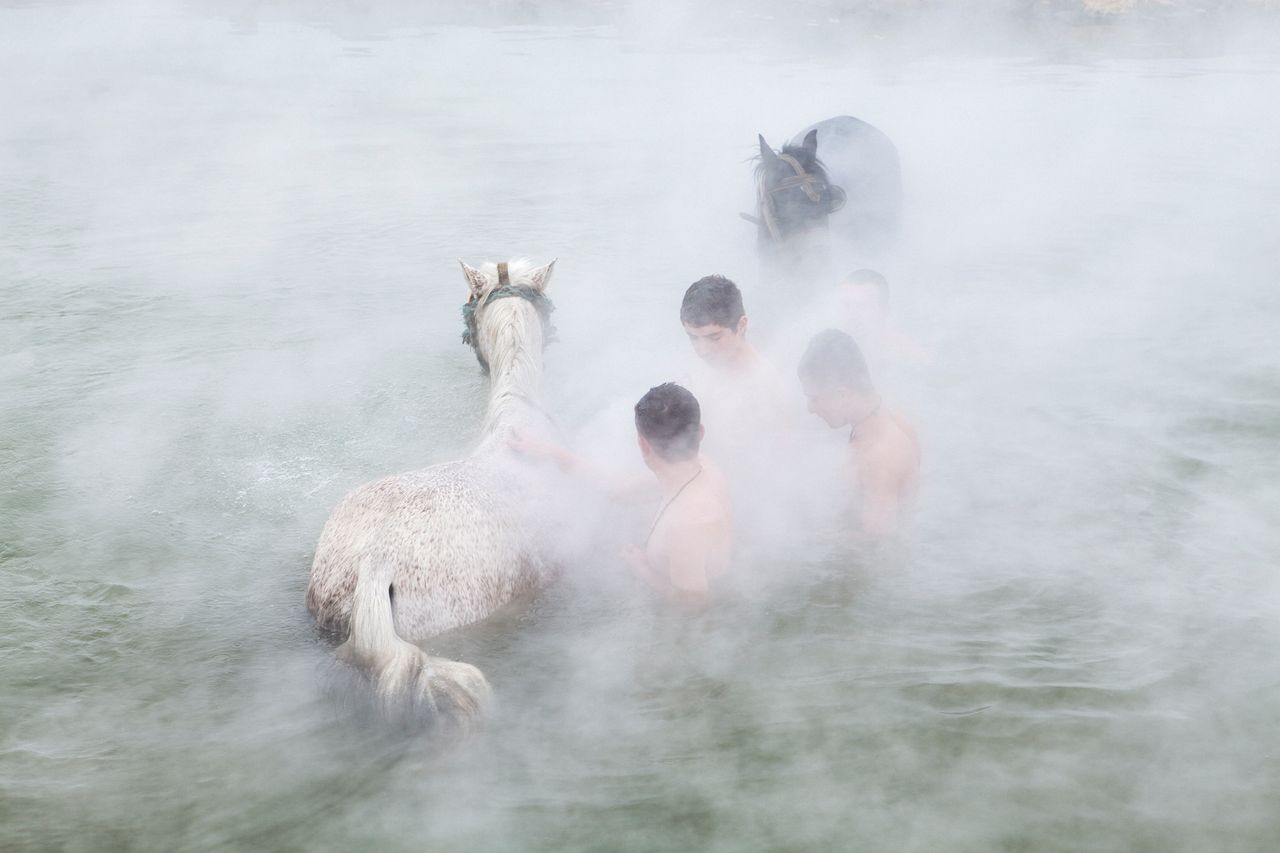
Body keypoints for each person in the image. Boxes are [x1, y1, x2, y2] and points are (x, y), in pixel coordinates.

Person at [509, 383, 732, 610]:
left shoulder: (688, 525)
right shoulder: (700, 466)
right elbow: (620, 489)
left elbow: (695, 605)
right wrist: (550, 451)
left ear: (643, 445)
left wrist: (643, 570)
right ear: (700, 432)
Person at [798, 329, 920, 543]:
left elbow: (879, 546)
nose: (810, 408)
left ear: (842, 393)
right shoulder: (891, 419)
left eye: (815, 399)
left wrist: (813, 539)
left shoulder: (879, 457)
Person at [835, 269, 932, 372]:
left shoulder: (909, 356)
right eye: (846, 305)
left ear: (885, 311)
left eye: (861, 306)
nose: (852, 315)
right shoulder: (831, 349)